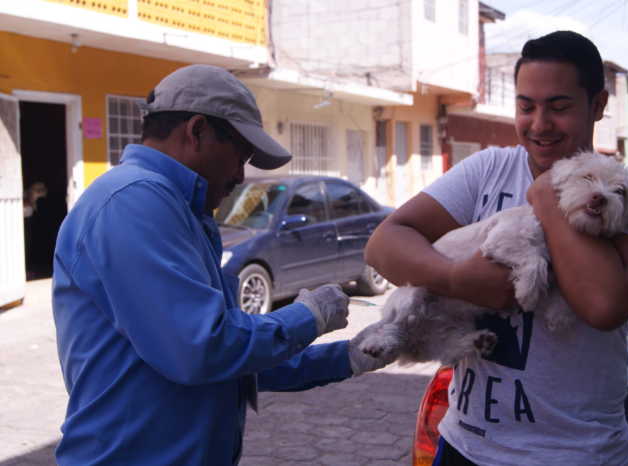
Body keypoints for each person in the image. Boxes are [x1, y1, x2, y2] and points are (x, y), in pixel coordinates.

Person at [52, 64, 391, 465]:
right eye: (240, 155)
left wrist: (349, 356)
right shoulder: (134, 199)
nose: (240, 175)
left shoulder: (180, 207)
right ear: (197, 131)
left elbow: (231, 360)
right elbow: (200, 348)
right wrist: (307, 317)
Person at [365, 31, 628, 466]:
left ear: (598, 106)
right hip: (463, 444)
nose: (539, 124)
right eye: (526, 107)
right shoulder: (489, 168)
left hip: (575, 455)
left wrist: (546, 197)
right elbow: (384, 244)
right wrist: (455, 278)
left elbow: (604, 306)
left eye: (559, 107)